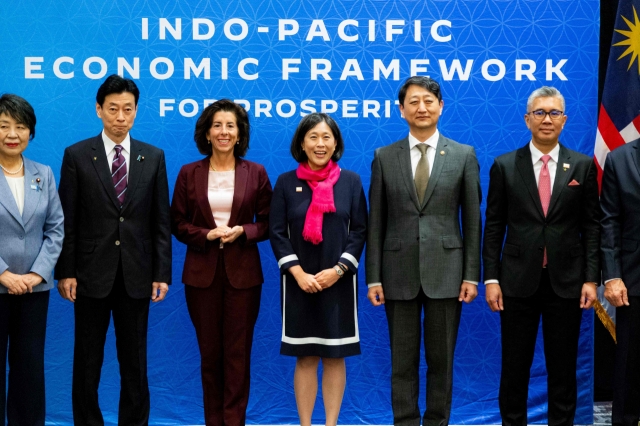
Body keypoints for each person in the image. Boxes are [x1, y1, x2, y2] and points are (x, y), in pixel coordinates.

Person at [55, 74, 172, 426]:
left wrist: (161, 273)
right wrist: (66, 270)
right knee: (87, 361)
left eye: (128, 109)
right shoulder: (77, 155)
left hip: (137, 275)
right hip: (90, 276)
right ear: (98, 110)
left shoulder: (153, 157)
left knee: (134, 361)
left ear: (136, 112)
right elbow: (67, 219)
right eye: (113, 109)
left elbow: (160, 221)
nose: (120, 117)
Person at [366, 76, 482, 426]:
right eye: (413, 101)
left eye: (428, 100)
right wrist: (373, 277)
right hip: (397, 273)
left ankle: (436, 423)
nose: (422, 107)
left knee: (441, 361)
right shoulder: (384, 157)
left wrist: (471, 275)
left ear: (441, 107)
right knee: (402, 362)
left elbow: (474, 221)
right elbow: (376, 223)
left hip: (447, 272)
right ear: (401, 110)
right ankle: (404, 422)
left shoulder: (464, 155)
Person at [483, 86, 600, 426]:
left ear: (563, 120)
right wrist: (491, 278)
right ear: (527, 119)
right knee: (514, 367)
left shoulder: (581, 165)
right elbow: (494, 227)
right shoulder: (504, 166)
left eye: (553, 113)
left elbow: (592, 227)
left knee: (563, 369)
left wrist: (591, 278)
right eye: (539, 113)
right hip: (516, 282)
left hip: (567, 283)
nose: (546, 119)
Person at [171, 99, 272, 426]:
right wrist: (206, 235)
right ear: (207, 132)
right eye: (217, 125)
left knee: (237, 357)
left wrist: (244, 230)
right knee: (210, 357)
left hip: (243, 277)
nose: (224, 131)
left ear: (240, 134)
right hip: (201, 277)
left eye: (231, 125)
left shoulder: (255, 172)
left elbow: (270, 222)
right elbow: (177, 222)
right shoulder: (189, 172)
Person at [269, 112, 367, 426]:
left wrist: (338, 270)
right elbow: (277, 232)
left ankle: (331, 424)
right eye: (313, 137)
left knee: (335, 356)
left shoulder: (350, 181)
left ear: (335, 142)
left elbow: (360, 231)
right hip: (299, 283)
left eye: (326, 137)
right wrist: (297, 273)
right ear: (301, 143)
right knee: (306, 355)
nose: (320, 143)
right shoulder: (286, 182)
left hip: (338, 282)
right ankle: (306, 424)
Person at [0, 94, 64, 425]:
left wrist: (37, 274)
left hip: (33, 291)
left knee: (29, 368)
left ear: (30, 132)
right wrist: (4, 274)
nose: (12, 134)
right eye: (4, 126)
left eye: (20, 126)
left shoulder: (44, 174)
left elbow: (56, 230)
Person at [601, 135, 640, 426]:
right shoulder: (620, 158)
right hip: (633, 279)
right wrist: (612, 276)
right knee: (630, 364)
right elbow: (609, 221)